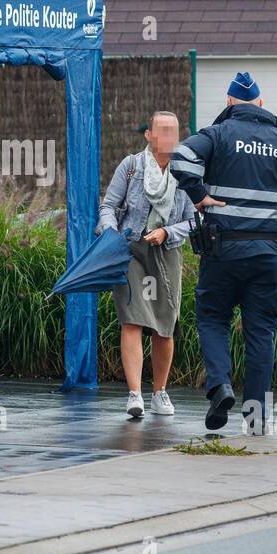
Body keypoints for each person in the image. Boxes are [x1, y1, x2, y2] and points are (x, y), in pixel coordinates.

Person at [170, 72, 277, 433]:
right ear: (261, 104)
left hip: (222, 251)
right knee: (260, 333)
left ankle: (220, 384)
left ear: (230, 102)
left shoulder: (217, 135)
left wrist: (200, 196)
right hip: (267, 256)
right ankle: (257, 417)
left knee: (213, 319)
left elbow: (180, 159)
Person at [98, 111, 196, 417]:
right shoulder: (131, 166)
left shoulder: (186, 172)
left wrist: (167, 231)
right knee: (132, 320)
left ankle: (160, 392)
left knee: (164, 326)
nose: (168, 136)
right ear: (149, 135)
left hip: (167, 253)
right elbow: (109, 206)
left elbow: (196, 220)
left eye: (174, 131)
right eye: (162, 130)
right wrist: (112, 234)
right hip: (132, 251)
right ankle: (134, 394)